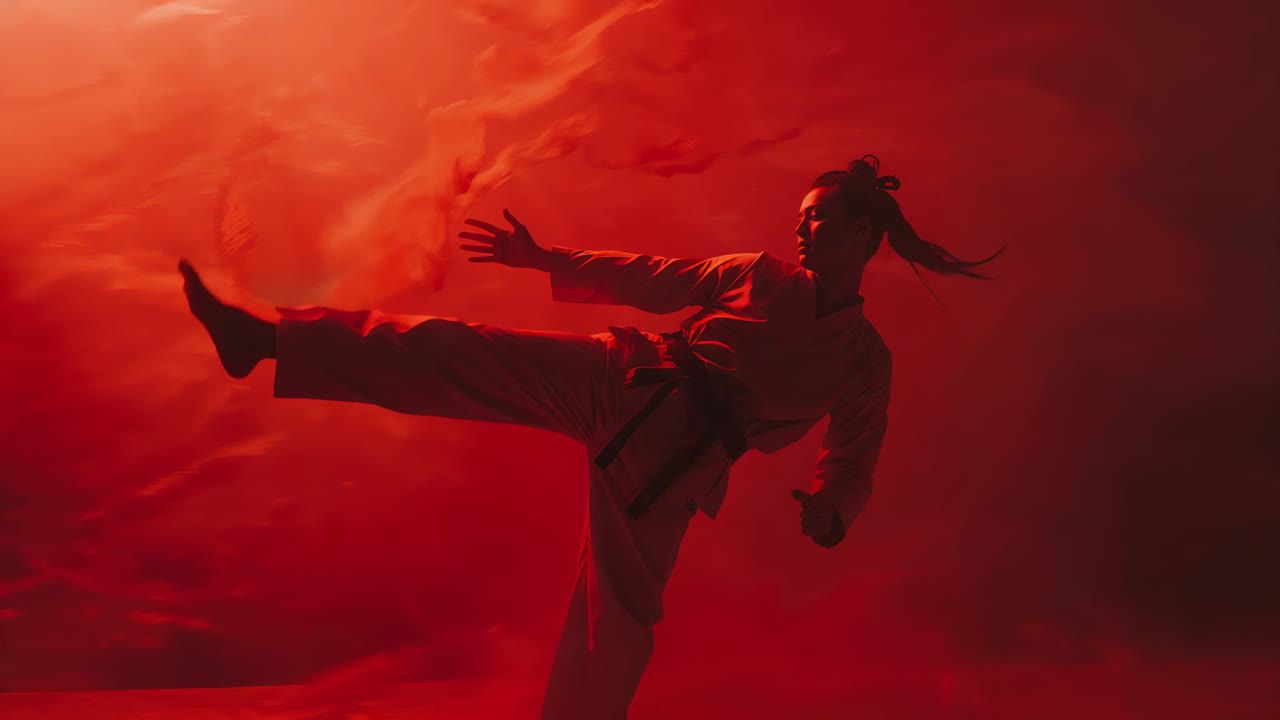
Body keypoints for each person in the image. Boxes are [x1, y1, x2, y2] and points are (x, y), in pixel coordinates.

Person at [179, 155, 1001, 718]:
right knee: (456, 350)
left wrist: (832, 508)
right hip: (625, 381)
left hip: (678, 463)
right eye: (800, 219)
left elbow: (854, 448)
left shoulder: (864, 359)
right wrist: (547, 258)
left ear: (864, 235)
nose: (800, 232)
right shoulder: (758, 273)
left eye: (818, 221)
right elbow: (652, 275)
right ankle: (268, 341)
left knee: (620, 619)